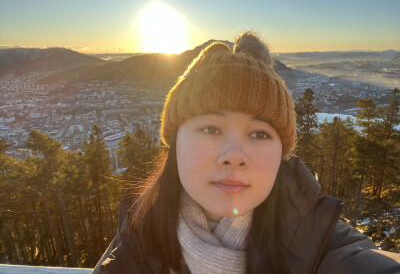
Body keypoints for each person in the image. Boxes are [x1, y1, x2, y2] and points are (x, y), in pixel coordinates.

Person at [92, 32, 400, 274]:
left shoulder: (322, 244)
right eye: (211, 129)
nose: (235, 155)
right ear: (175, 144)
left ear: (282, 154)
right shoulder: (133, 245)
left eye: (259, 134)